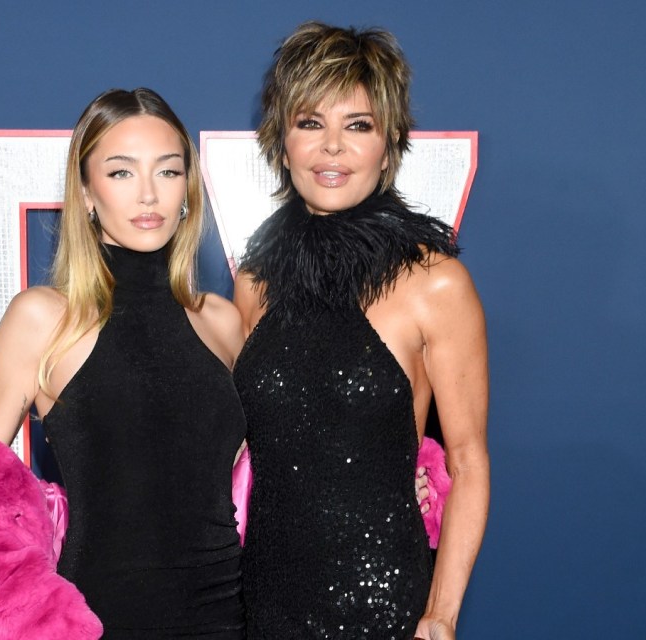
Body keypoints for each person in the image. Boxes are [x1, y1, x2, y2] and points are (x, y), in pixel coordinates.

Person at [0, 88, 248, 639]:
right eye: (122, 173)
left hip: (229, 617)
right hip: (98, 620)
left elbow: (270, 473)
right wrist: (38, 620)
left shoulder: (222, 321)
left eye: (169, 171)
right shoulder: (44, 318)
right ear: (86, 191)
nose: (149, 194)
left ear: (188, 189)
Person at [233, 22, 490, 640]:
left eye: (358, 125)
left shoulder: (436, 282)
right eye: (310, 122)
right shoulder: (254, 278)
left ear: (389, 141)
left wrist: (441, 614)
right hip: (261, 600)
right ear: (281, 139)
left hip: (383, 602)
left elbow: (468, 462)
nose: (332, 149)